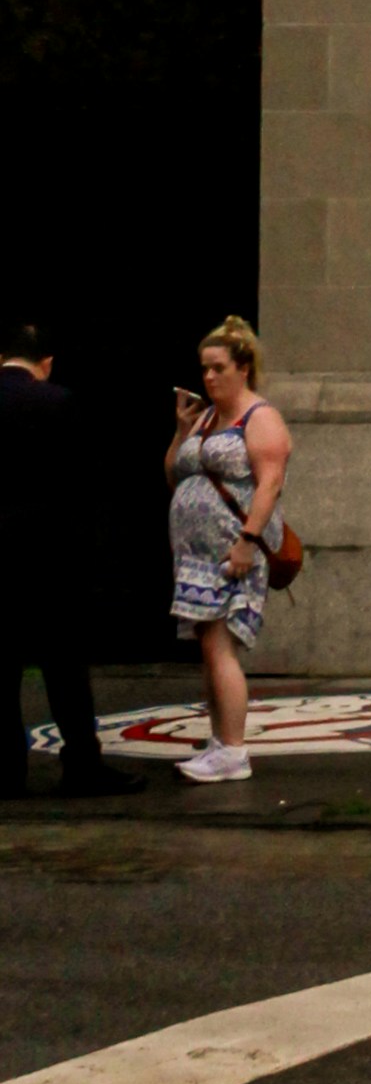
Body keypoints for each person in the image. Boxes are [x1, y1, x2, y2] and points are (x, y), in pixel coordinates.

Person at [0, 328, 138, 800]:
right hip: (51, 560)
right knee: (65, 672)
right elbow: (85, 485)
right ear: (47, 362)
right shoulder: (59, 403)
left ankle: (7, 770)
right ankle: (82, 765)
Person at [164, 320, 291, 781]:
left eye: (219, 368)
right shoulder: (204, 418)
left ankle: (234, 751)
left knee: (220, 646)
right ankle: (220, 740)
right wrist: (182, 433)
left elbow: (270, 483)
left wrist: (247, 541)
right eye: (204, 369)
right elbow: (176, 475)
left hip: (233, 550)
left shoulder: (260, 418)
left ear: (244, 368)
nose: (210, 378)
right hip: (196, 554)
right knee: (208, 646)